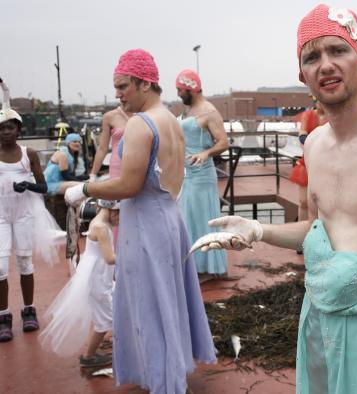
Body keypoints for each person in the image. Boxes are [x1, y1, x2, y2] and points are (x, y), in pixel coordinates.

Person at [194, 5, 357, 393]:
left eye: (338, 50)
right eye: (312, 57)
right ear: (304, 77)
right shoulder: (313, 144)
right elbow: (319, 230)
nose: (325, 65)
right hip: (314, 321)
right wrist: (258, 229)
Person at [64, 49, 216, 393]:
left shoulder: (140, 124)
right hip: (169, 217)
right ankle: (170, 373)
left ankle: (164, 381)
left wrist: (83, 187)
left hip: (146, 223)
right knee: (168, 300)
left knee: (149, 304)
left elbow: (129, 185)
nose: (118, 94)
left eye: (122, 86)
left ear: (144, 83)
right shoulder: (172, 122)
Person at [40, 199, 119, 369]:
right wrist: (131, 256)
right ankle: (88, 356)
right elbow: (110, 258)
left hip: (99, 276)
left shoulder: (100, 221)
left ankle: (97, 346)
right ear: (114, 211)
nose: (120, 221)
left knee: (105, 315)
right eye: (121, 216)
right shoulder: (102, 228)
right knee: (107, 319)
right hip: (98, 278)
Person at [175, 69, 232, 281]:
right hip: (186, 175)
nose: (179, 94)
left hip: (202, 176)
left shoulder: (209, 111)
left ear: (191, 88)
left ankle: (210, 268)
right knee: (188, 220)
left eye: (181, 90)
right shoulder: (189, 110)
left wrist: (205, 153)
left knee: (202, 219)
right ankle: (196, 266)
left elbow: (223, 142)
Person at [0, 95, 47, 342]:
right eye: (1, 128)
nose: (5, 132)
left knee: (25, 262)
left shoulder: (29, 154)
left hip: (24, 213)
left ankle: (29, 310)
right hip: (0, 215)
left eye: (9, 127)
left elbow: (44, 187)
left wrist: (27, 184)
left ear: (18, 129)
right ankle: (3, 315)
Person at [289, 96, 327, 223]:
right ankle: (302, 227)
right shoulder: (308, 115)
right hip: (308, 162)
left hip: (327, 162)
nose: (320, 104)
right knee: (303, 202)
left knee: (323, 202)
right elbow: (302, 132)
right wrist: (310, 141)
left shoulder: (332, 116)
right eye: (317, 101)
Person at [90, 106, 132, 180]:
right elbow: (102, 148)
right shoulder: (109, 116)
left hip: (140, 164)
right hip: (117, 165)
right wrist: (93, 175)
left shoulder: (144, 114)